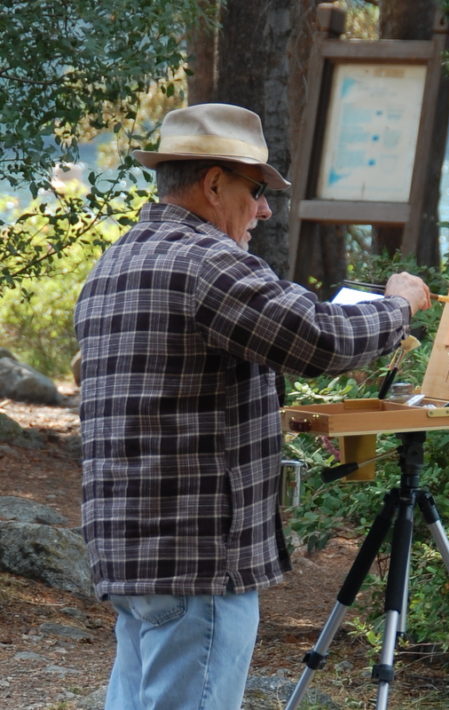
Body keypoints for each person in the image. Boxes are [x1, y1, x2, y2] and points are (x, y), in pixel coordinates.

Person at [74, 102, 430, 710]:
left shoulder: (118, 261)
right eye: (257, 189)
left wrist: (278, 417)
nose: (263, 210)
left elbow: (168, 392)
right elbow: (321, 337)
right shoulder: (206, 261)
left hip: (132, 552)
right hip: (198, 557)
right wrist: (399, 305)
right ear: (214, 183)